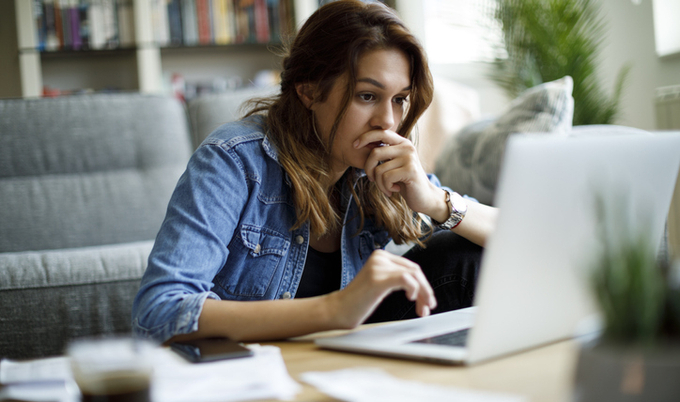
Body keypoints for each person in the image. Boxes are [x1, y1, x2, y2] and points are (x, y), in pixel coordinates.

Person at [132, 0, 498, 344]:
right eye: (367, 96)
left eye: (399, 99)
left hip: (341, 360)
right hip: (257, 367)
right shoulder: (234, 160)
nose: (388, 120)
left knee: (463, 254)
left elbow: (517, 238)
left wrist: (436, 201)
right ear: (308, 90)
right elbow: (159, 311)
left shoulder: (374, 169)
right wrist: (336, 309)